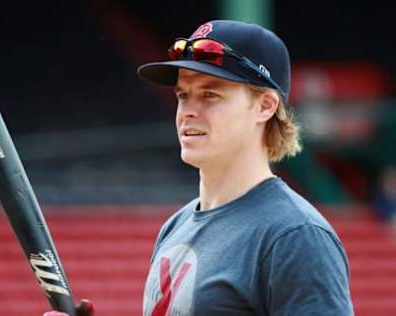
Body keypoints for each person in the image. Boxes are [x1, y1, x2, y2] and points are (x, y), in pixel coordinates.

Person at [45, 20, 354, 316]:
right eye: (183, 95)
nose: (187, 111)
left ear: (264, 106)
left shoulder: (294, 237)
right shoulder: (176, 226)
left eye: (210, 94)